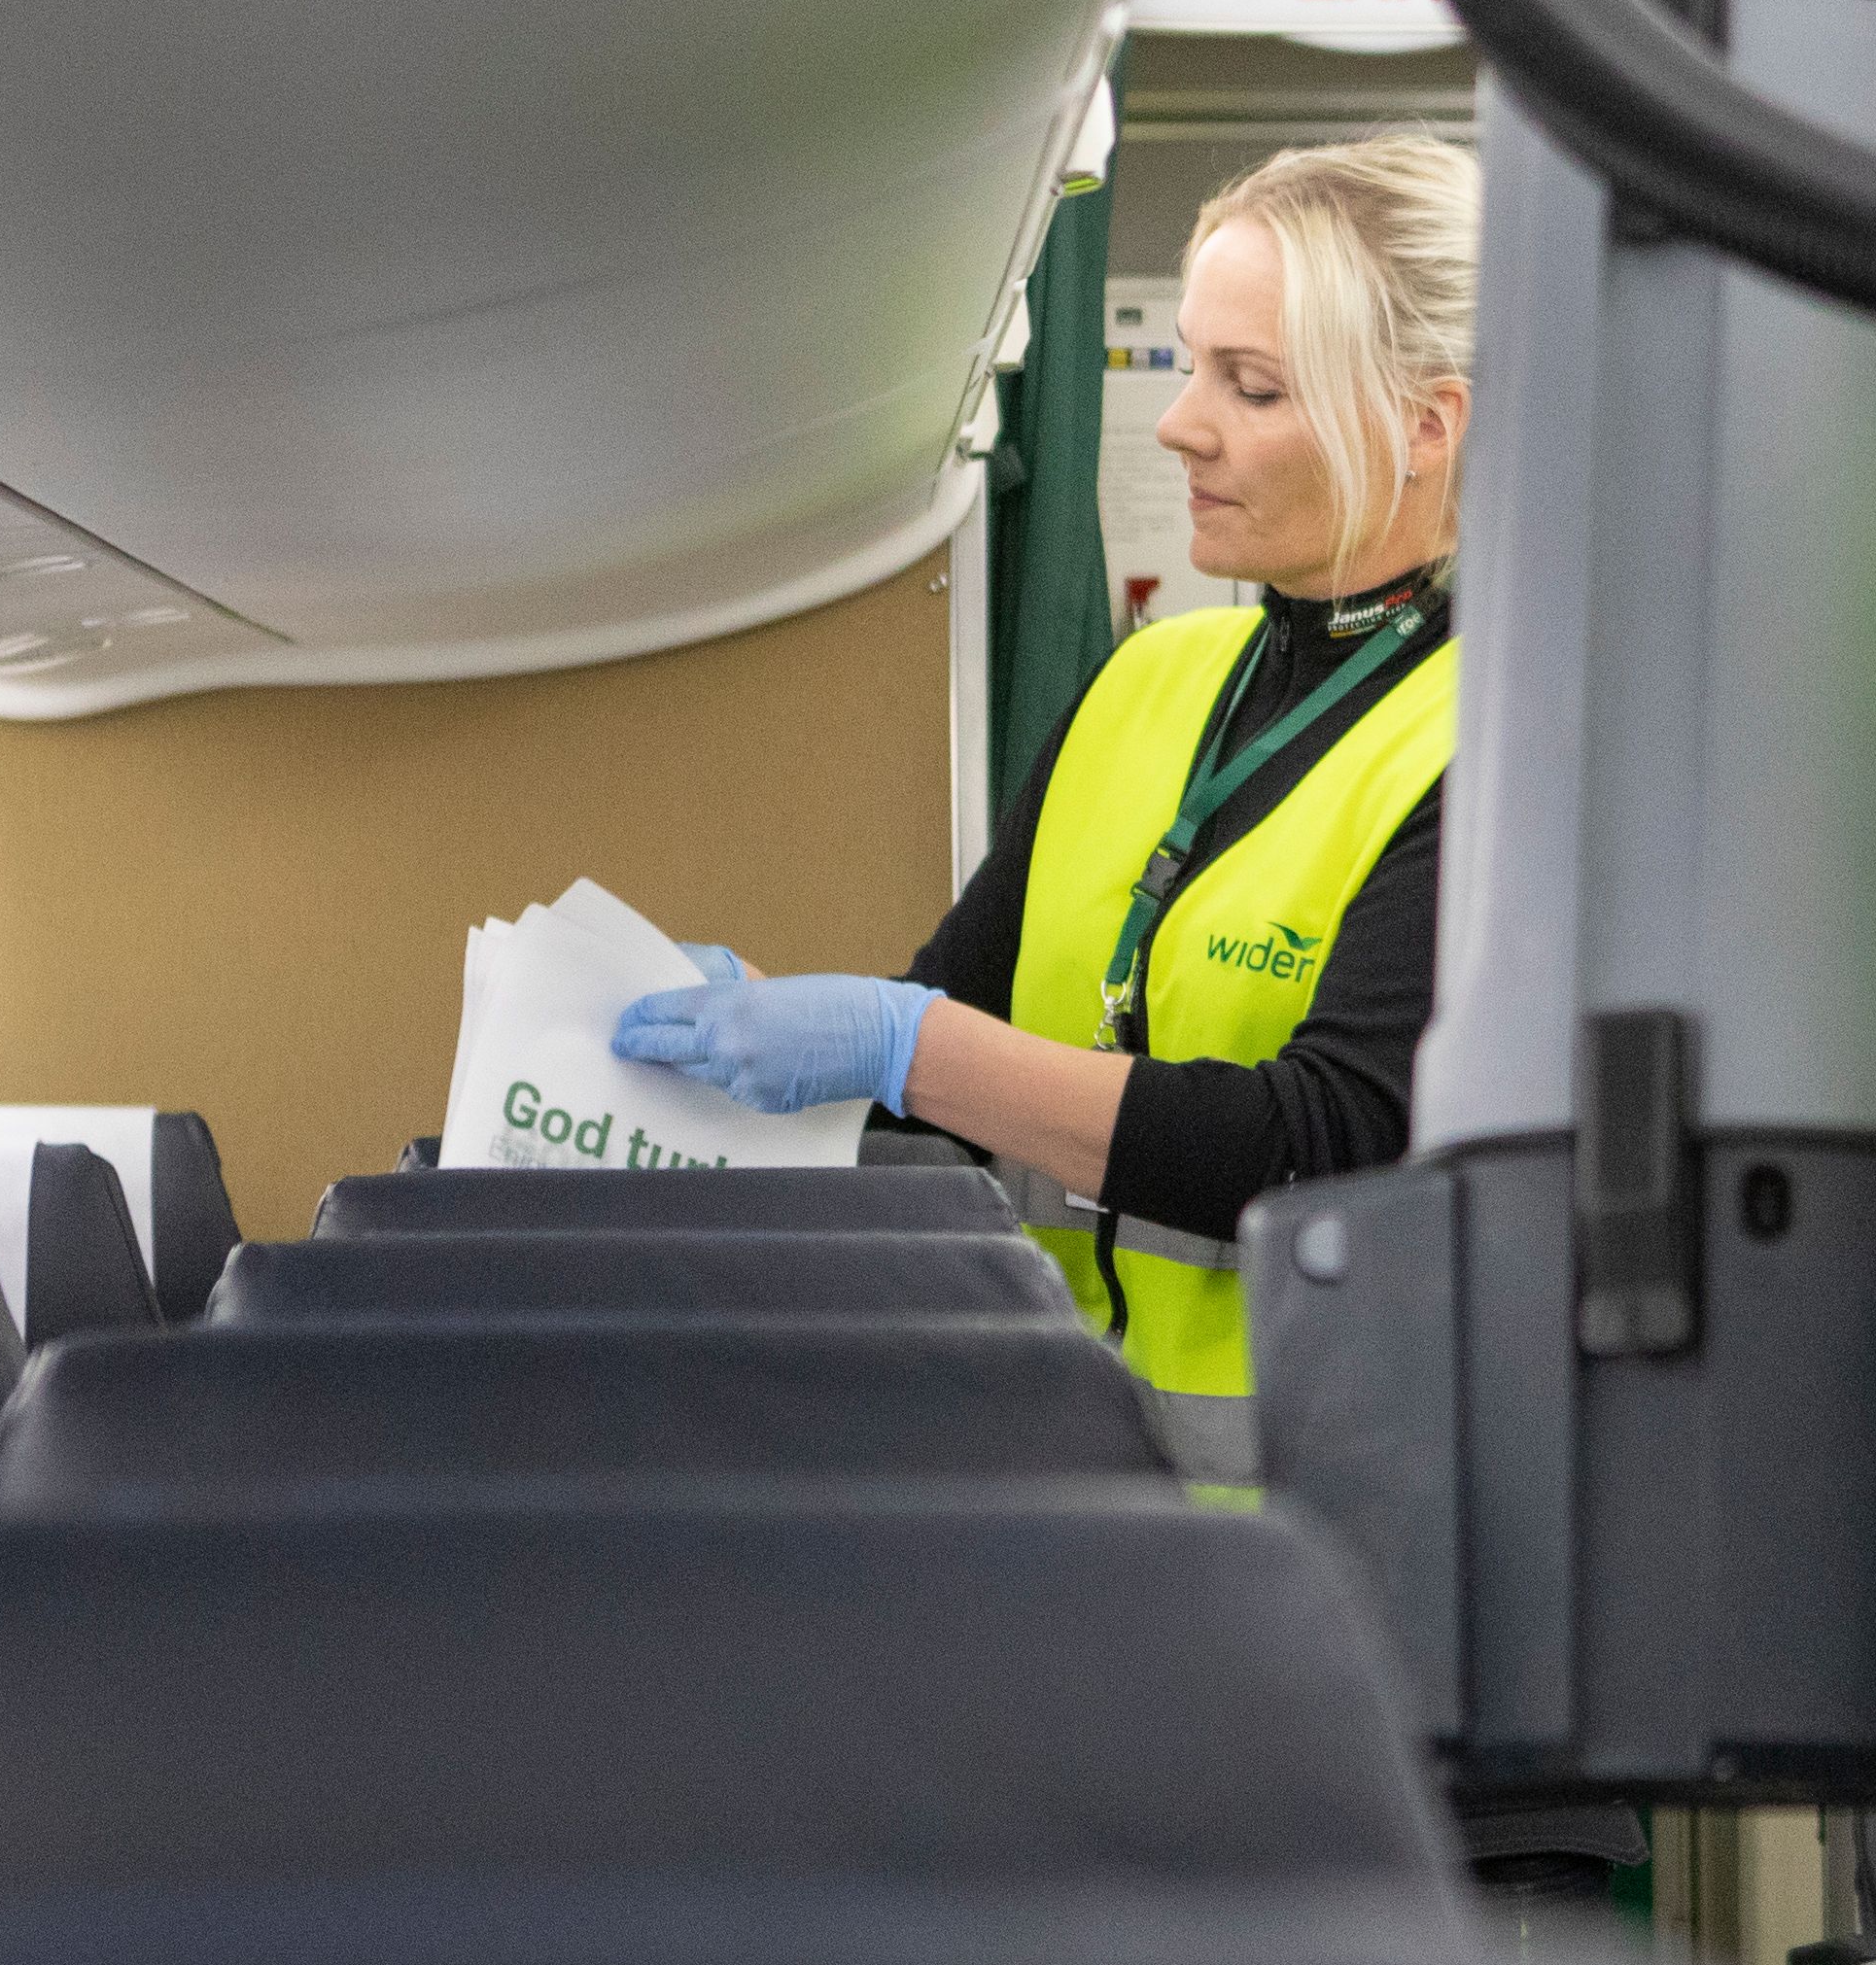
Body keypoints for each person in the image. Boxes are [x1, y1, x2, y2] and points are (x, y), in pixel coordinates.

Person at [616, 131, 1476, 1490]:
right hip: (1068, 1497)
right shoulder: (1147, 682)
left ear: (1428, 425)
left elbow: (1320, 1146)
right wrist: (762, 1050)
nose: (1181, 423)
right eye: (1190, 366)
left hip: (1323, 1532)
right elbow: (954, 1077)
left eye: (1251, 386)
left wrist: (902, 1043)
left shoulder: (1491, 737)